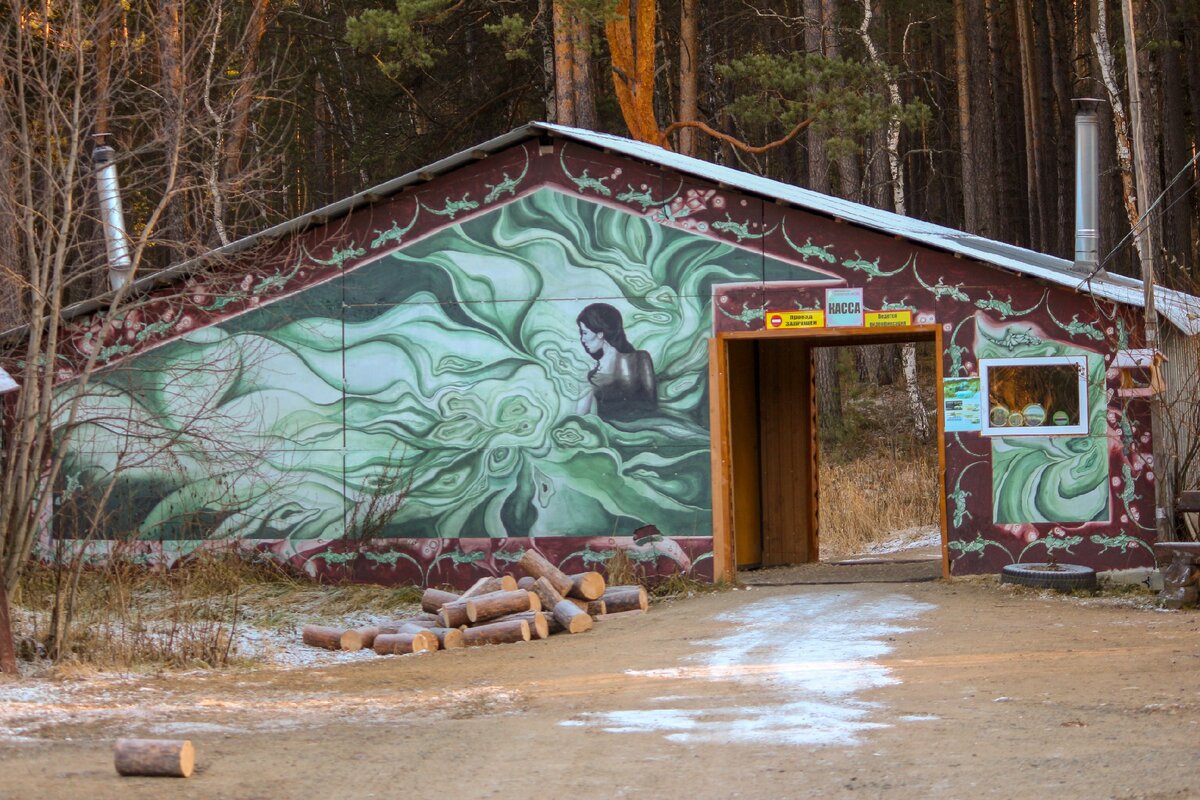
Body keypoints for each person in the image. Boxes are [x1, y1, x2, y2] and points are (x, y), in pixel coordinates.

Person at [575, 303, 657, 420]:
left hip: (642, 430)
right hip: (608, 433)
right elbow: (580, 417)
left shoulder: (640, 359)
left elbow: (651, 404)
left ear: (600, 334)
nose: (582, 339)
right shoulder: (592, 375)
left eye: (584, 333)